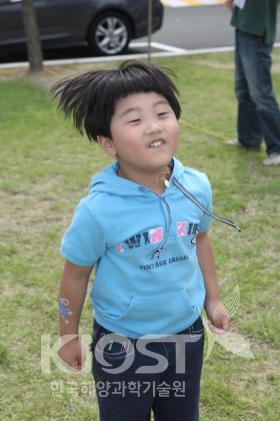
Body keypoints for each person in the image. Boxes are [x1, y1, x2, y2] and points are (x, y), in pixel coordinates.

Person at [52, 62, 237, 421]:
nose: (153, 126)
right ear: (108, 142)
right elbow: (75, 276)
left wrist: (212, 299)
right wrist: (66, 335)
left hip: (186, 334)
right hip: (121, 345)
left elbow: (200, 239)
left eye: (162, 113)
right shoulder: (98, 210)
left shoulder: (196, 186)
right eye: (134, 120)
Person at [224, 0, 280, 166]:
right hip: (244, 24)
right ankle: (248, 139)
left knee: (261, 93)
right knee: (243, 89)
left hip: (257, 30)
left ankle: (277, 148)